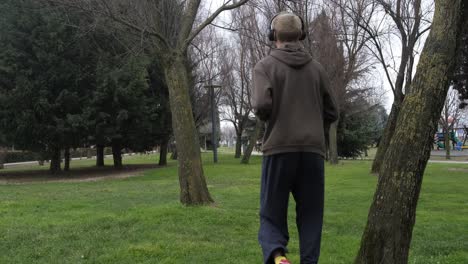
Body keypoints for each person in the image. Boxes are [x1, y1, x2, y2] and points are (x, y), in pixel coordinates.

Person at [252, 12, 339, 264]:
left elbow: (260, 104)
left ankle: (279, 258)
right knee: (311, 215)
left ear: (273, 35)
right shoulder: (318, 69)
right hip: (312, 152)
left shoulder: (264, 67)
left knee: (271, 214)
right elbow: (333, 111)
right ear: (301, 36)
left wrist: (271, 117)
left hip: (278, 149)